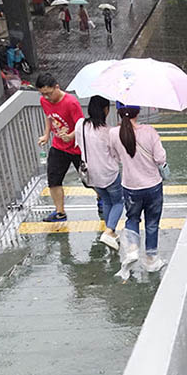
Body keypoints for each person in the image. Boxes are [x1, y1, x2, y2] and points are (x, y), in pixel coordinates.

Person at [109, 102, 168, 272]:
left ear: (118, 111)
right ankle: (151, 260)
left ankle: (133, 249)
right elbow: (160, 158)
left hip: (130, 186)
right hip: (152, 186)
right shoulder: (149, 131)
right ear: (138, 111)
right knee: (152, 223)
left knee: (132, 218)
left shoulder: (113, 133)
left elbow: (114, 156)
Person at [59, 96, 123, 250]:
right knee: (118, 202)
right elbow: (117, 156)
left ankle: (111, 234)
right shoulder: (109, 132)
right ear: (106, 110)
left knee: (107, 202)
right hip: (109, 174)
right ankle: (109, 231)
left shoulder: (81, 124)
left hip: (91, 175)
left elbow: (77, 142)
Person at [36, 73, 83, 222]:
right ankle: (60, 212)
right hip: (58, 146)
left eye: (49, 93)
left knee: (89, 180)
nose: (47, 97)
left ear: (57, 87)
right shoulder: (43, 101)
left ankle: (101, 198)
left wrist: (70, 136)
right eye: (43, 94)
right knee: (54, 180)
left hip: (76, 147)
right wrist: (46, 135)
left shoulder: (71, 102)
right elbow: (49, 117)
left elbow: (81, 125)